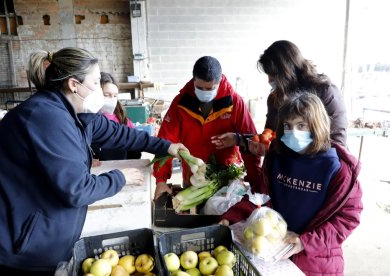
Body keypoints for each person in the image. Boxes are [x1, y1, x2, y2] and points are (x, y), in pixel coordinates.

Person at [0, 47, 187, 275]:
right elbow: (76, 189)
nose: (100, 91)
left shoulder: (76, 114)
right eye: (96, 83)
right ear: (73, 84)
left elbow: (121, 134)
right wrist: (120, 177)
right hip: (8, 243)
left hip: (27, 232)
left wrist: (166, 146)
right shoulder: (47, 118)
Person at [220, 92, 363, 276]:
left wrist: (306, 242)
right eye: (288, 126)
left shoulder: (338, 170)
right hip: (272, 248)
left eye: (301, 125)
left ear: (317, 126)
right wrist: (231, 216)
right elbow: (260, 196)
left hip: (316, 259)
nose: (293, 132)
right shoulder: (277, 158)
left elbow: (347, 219)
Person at [212, 40, 348, 156]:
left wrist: (296, 150)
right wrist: (240, 139)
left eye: (273, 75)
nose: (269, 81)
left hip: (319, 173)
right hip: (286, 171)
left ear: (288, 71)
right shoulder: (275, 98)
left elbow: (337, 144)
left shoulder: (326, 92)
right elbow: (269, 136)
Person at [152, 56, 261, 200]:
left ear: (220, 80)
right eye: (199, 88)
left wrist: (254, 179)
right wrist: (161, 181)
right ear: (194, 80)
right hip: (193, 178)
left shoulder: (235, 103)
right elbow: (165, 140)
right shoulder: (180, 103)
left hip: (228, 177)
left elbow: (251, 142)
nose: (204, 91)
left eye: (210, 88)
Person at [92, 71, 142, 161]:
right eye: (106, 95)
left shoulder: (122, 119)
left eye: (115, 96)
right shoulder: (87, 120)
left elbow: (135, 150)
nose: (112, 100)